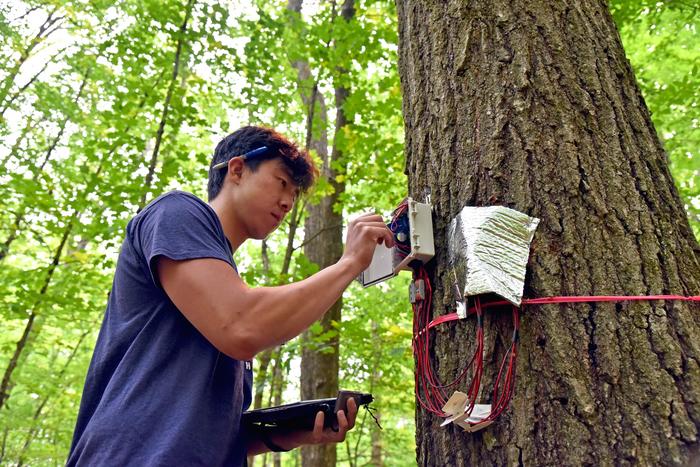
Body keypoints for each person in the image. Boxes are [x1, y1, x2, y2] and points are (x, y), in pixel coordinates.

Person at [66, 126, 395, 466]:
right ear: (236, 169)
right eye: (282, 182)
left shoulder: (224, 289)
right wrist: (350, 263)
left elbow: (211, 429)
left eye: (294, 195)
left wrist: (291, 432)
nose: (287, 202)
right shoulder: (176, 212)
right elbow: (242, 327)